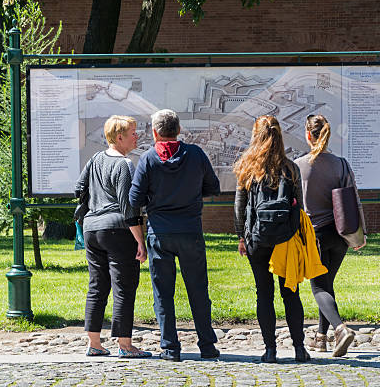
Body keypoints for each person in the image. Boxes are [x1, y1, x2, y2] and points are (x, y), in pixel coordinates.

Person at [129, 109, 221, 362]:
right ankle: (207, 345)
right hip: (190, 230)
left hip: (160, 233)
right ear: (179, 130)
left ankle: (170, 347)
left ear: (155, 132)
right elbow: (213, 186)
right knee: (198, 289)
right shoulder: (196, 154)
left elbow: (134, 199)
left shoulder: (148, 159)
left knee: (163, 292)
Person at [233, 115, 311, 363]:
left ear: (256, 136)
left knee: (263, 294)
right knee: (291, 292)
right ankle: (299, 349)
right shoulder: (290, 168)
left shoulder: (247, 167)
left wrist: (241, 237)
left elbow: (239, 207)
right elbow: (299, 205)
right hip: (285, 238)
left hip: (257, 239)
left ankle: (270, 350)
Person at [76, 115, 151, 358]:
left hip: (91, 230)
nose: (136, 136)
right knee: (124, 287)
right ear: (120, 137)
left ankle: (94, 343)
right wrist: (140, 240)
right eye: (132, 133)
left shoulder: (95, 158)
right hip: (117, 230)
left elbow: (79, 187)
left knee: (97, 285)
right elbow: (128, 208)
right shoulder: (124, 165)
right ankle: (125, 345)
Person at [294, 114, 367, 358]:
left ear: (308, 135)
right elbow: (353, 200)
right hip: (340, 235)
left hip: (314, 235)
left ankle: (340, 329)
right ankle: (321, 338)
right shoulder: (341, 164)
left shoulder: (298, 166)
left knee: (318, 288)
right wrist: (360, 235)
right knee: (327, 285)